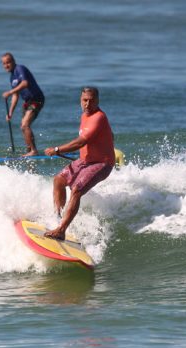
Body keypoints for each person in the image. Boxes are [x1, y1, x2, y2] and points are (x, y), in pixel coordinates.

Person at [43, 86, 115, 240]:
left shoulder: (99, 117)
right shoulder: (85, 115)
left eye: (91, 100)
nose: (87, 104)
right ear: (80, 100)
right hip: (84, 161)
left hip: (101, 164)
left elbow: (80, 142)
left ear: (97, 101)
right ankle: (57, 217)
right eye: (84, 100)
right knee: (58, 180)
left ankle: (61, 230)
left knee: (76, 189)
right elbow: (110, 134)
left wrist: (57, 149)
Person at [1, 52, 45, 156]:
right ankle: (29, 150)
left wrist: (9, 92)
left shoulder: (20, 69)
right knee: (23, 126)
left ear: (13, 61)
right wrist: (10, 113)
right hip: (27, 102)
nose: (6, 65)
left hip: (36, 99)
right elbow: (16, 96)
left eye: (8, 62)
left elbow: (25, 83)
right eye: (4, 63)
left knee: (25, 125)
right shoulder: (12, 77)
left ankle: (34, 151)